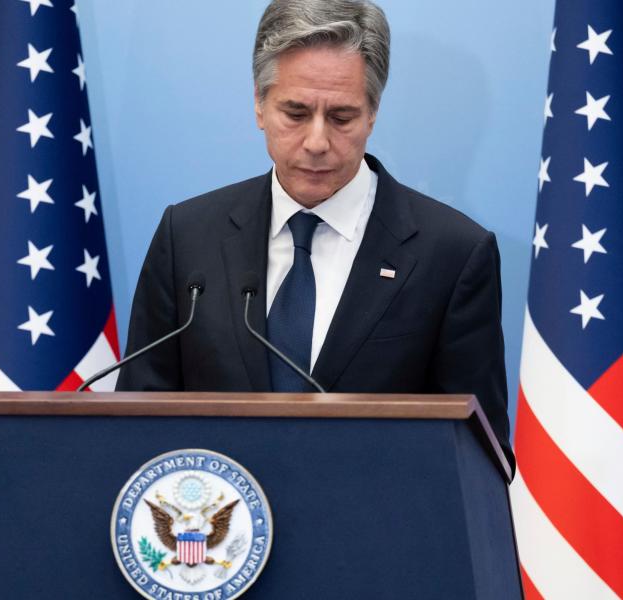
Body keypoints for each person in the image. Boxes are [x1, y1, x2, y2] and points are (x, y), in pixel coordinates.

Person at [117, 0, 511, 462]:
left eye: (341, 117)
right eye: (296, 113)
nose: (318, 142)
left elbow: (480, 457)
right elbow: (138, 421)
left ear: (373, 113)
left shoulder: (452, 254)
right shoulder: (186, 237)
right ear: (260, 105)